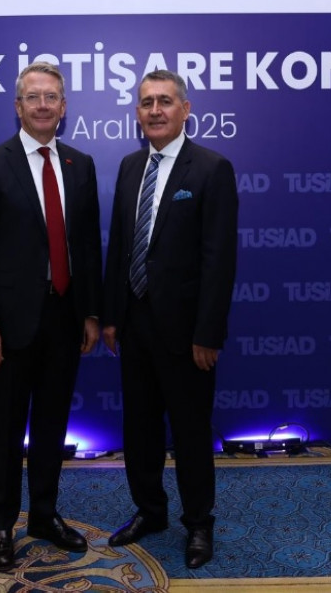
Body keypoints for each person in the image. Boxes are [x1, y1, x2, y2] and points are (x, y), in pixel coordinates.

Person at [0, 61, 102, 572]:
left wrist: (91, 312)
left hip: (65, 318)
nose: (43, 105)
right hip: (10, 324)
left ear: (63, 107)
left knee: (52, 423)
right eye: (33, 97)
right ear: (18, 106)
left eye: (51, 97)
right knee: (5, 429)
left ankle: (44, 514)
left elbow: (87, 246)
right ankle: (1, 524)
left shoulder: (80, 164)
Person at [102, 69, 238, 569]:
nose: (155, 110)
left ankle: (199, 522)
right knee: (139, 428)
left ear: (185, 110)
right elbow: (120, 246)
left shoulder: (211, 168)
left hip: (186, 333)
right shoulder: (129, 166)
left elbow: (219, 259)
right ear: (137, 113)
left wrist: (208, 332)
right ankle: (150, 511)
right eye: (146, 103)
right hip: (134, 324)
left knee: (190, 430)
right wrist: (112, 316)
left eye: (164, 101)